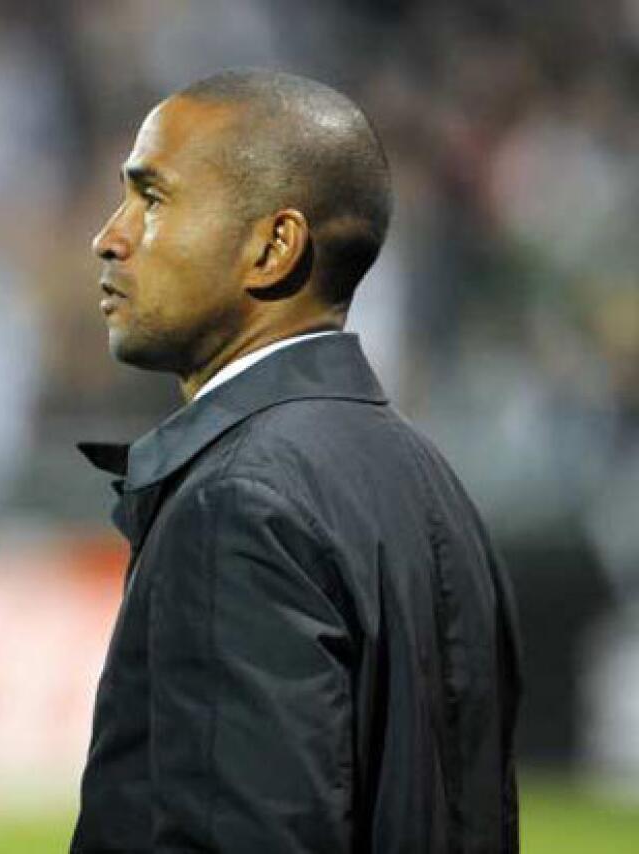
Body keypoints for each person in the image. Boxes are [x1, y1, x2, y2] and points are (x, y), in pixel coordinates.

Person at [71, 69, 521, 853]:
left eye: (153, 198)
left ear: (273, 247)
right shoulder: (433, 483)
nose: (111, 235)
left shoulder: (237, 503)